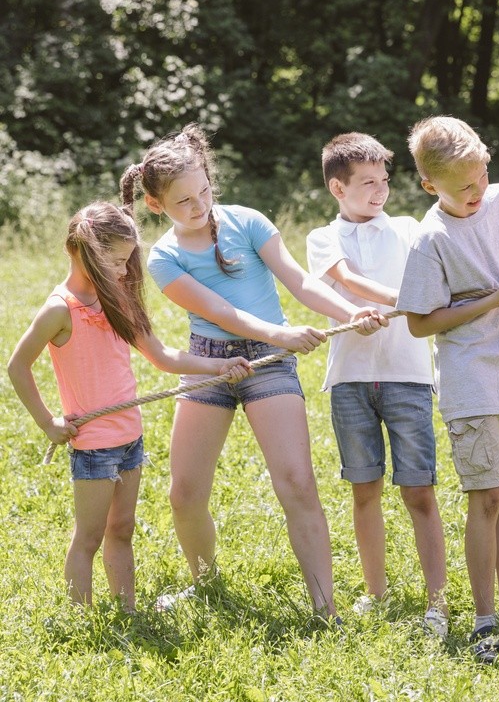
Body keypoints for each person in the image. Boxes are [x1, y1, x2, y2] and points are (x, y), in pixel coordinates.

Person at [120, 123, 385, 620]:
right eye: (184, 202)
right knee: (185, 492)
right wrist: (282, 334)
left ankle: (324, 609)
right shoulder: (164, 258)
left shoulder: (247, 221)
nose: (200, 206)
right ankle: (206, 584)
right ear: (156, 206)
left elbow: (300, 282)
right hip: (209, 362)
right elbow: (222, 313)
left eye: (204, 191)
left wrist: (348, 315)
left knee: (296, 482)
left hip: (268, 364)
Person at [6, 202, 252, 612]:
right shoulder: (60, 309)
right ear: (81, 251)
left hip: (129, 438)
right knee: (89, 536)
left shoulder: (117, 300)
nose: (123, 271)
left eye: (126, 261)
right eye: (116, 262)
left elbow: (162, 356)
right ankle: (82, 619)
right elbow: (17, 366)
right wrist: (48, 421)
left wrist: (219, 365)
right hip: (93, 444)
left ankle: (128, 611)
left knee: (122, 528)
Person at [395, 116, 499, 663]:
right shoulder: (431, 238)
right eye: (463, 188)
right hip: (469, 377)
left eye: (481, 177)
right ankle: (484, 620)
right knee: (485, 497)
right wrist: (497, 298)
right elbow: (420, 323)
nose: (477, 192)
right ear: (429, 186)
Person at [305, 132, 449, 637]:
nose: (380, 190)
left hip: (408, 377)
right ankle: (375, 592)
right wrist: (389, 302)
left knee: (419, 492)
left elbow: (438, 273)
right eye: (367, 183)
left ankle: (438, 602)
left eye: (384, 180)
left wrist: (408, 300)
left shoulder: (410, 228)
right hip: (350, 381)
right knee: (363, 489)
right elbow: (341, 279)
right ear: (337, 188)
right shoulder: (324, 238)